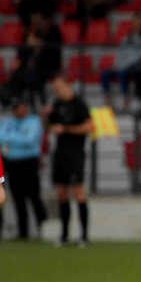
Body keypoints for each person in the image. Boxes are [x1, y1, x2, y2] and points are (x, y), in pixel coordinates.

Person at [45, 77, 93, 246]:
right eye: (54, 88)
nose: (56, 91)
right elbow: (49, 125)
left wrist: (66, 129)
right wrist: (49, 123)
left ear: (67, 86)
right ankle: (64, 235)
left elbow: (89, 127)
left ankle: (84, 236)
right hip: (60, 153)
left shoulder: (79, 104)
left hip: (75, 153)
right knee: (61, 193)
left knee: (78, 192)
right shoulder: (56, 105)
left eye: (58, 87)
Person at [0, 101, 47, 240]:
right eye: (16, 109)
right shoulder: (9, 122)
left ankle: (41, 228)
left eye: (21, 108)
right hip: (13, 163)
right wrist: (20, 138)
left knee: (34, 196)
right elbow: (1, 137)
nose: (19, 111)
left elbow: (31, 140)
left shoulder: (34, 122)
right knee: (17, 198)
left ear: (25, 108)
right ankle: (23, 232)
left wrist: (12, 139)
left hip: (29, 163)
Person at [101, 13, 141, 109]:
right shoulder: (127, 38)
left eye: (139, 22)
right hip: (122, 65)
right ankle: (107, 99)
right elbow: (120, 53)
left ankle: (126, 99)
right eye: (135, 22)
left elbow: (140, 56)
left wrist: (125, 65)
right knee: (105, 73)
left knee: (123, 72)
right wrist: (116, 64)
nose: (136, 24)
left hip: (134, 66)